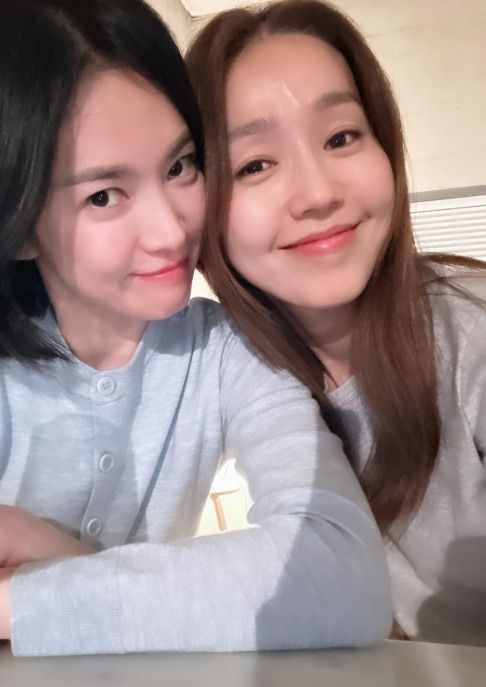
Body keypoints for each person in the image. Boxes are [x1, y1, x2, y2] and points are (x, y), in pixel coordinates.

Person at [0, 0, 391, 657]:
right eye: (103, 195)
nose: (172, 230)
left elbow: (343, 575)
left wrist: (8, 593)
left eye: (180, 166)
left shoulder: (227, 351)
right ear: (15, 223)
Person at [186, 0, 486, 646]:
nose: (319, 193)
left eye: (341, 137)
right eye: (255, 164)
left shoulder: (471, 335)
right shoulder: (230, 366)